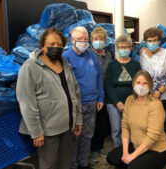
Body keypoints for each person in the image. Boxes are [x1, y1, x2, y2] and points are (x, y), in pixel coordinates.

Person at [16, 27, 82, 169]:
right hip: (47, 131)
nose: (56, 47)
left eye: (59, 44)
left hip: (67, 126)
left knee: (65, 163)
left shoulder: (65, 64)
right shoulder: (30, 67)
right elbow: (27, 103)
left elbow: (75, 92)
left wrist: (78, 119)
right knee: (49, 165)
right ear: (42, 45)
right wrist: (36, 132)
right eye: (51, 44)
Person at [107, 70, 166, 169]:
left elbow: (152, 136)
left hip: (157, 150)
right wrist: (125, 153)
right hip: (137, 145)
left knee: (132, 166)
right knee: (111, 158)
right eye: (138, 83)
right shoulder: (129, 100)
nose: (141, 86)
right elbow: (125, 126)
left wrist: (132, 156)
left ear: (150, 86)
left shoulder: (155, 105)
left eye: (145, 83)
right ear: (133, 84)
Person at [63, 26, 104, 169]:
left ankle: (84, 163)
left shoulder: (91, 55)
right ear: (72, 40)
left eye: (85, 39)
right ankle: (73, 165)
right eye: (80, 39)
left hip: (92, 103)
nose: (83, 42)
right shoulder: (66, 57)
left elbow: (98, 77)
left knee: (88, 135)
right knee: (75, 137)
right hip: (76, 105)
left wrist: (101, 98)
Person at [104, 34, 141, 148]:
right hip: (113, 103)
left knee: (131, 129)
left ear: (130, 48)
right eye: (121, 47)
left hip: (132, 103)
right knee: (116, 130)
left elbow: (139, 85)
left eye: (126, 47)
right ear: (117, 48)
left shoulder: (136, 65)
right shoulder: (112, 64)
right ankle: (118, 152)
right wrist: (118, 102)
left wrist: (131, 102)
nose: (123, 49)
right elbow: (108, 85)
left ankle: (129, 152)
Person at [139, 27, 166, 133]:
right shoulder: (143, 54)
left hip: (163, 95)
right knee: (148, 123)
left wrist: (158, 92)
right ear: (145, 42)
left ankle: (163, 148)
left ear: (159, 41)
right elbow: (142, 74)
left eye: (155, 40)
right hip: (146, 95)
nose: (152, 43)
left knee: (162, 123)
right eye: (149, 41)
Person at [89, 27, 112, 162]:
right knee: (91, 123)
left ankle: (99, 146)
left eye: (101, 39)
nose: (99, 42)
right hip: (92, 94)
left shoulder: (109, 55)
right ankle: (92, 149)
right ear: (91, 41)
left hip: (105, 94)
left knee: (103, 123)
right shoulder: (88, 54)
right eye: (96, 39)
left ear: (105, 40)